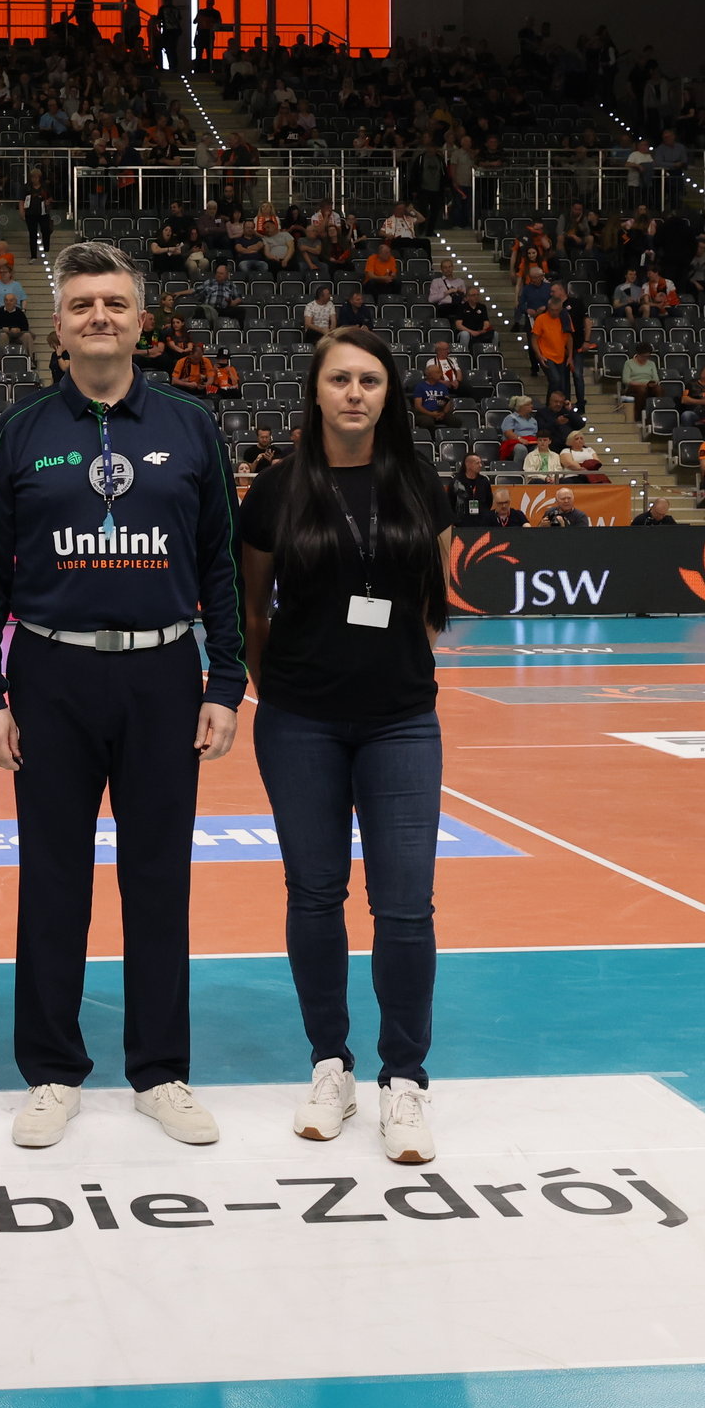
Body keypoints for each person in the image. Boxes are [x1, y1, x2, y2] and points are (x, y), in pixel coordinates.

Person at [0, 238, 246, 1150]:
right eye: (83, 304)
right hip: (51, 674)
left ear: (141, 321)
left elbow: (222, 564)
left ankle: (161, 1071)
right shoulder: (20, 430)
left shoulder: (192, 425)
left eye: (115, 304)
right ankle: (52, 1070)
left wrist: (226, 679)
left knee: (159, 877)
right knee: (53, 878)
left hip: (164, 675)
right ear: (60, 326)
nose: (99, 317)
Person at [238, 326, 453, 1165]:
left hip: (401, 722)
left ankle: (406, 1079)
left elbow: (433, 602)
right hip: (300, 722)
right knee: (315, 894)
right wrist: (287, 689)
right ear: (316, 391)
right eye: (340, 379)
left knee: (405, 906)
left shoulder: (421, 482)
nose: (355, 392)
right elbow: (254, 610)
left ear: (388, 392)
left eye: (370, 379)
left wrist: (388, 673)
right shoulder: (277, 489)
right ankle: (331, 1065)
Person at [444, 451, 494, 523]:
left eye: (480, 463)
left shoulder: (484, 481)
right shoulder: (456, 482)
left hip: (481, 522)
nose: (480, 465)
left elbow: (489, 501)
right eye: (477, 463)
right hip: (462, 523)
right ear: (468, 465)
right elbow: (450, 503)